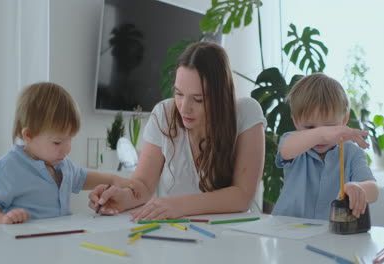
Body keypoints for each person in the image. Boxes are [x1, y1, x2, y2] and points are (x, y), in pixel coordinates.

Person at [88, 41, 267, 220]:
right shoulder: (163, 114)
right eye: (179, 94)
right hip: (176, 234)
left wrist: (178, 205)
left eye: (198, 99)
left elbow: (242, 196)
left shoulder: (246, 112)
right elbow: (142, 184)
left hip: (231, 235)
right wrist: (121, 197)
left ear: (221, 97)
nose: (184, 108)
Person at [0, 82, 136, 225]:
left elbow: (84, 177)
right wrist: (4, 219)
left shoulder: (62, 165)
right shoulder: (9, 168)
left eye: (70, 139)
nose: (67, 149)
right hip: (25, 248)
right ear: (28, 136)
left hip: (58, 244)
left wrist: (116, 180)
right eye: (57, 142)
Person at [272, 72, 379, 220]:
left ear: (344, 120)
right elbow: (285, 150)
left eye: (330, 127)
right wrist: (322, 133)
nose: (324, 136)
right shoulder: (294, 142)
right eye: (310, 127)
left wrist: (358, 188)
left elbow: (373, 189)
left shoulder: (352, 153)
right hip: (287, 232)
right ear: (296, 122)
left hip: (332, 235)